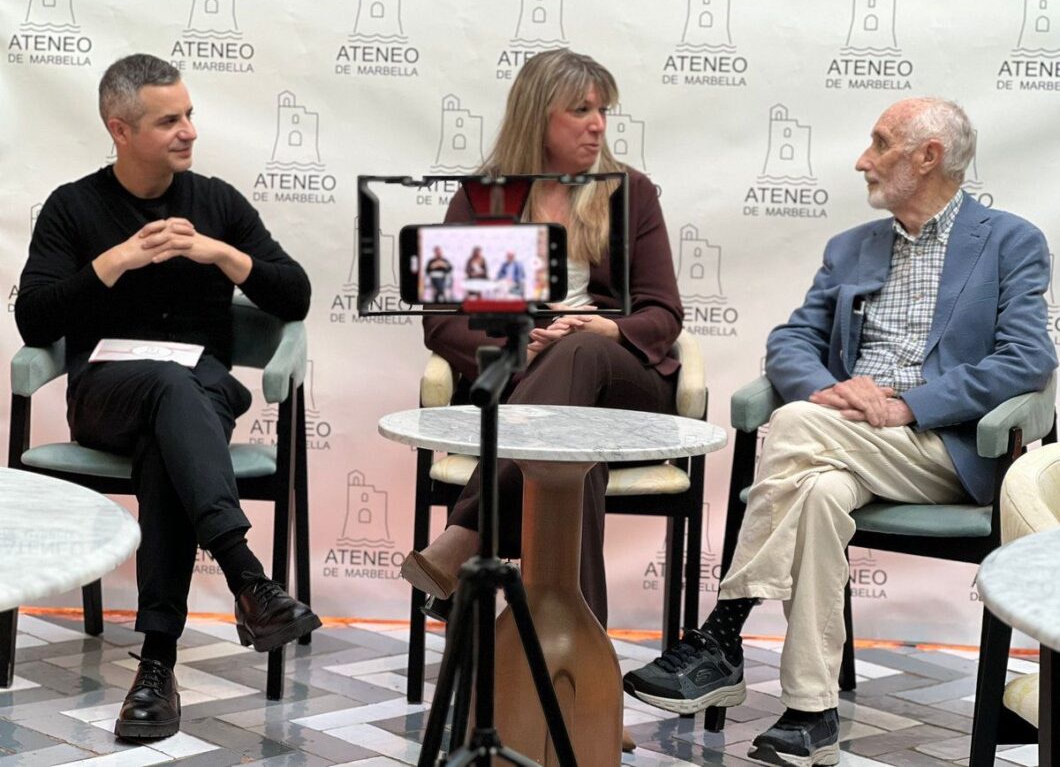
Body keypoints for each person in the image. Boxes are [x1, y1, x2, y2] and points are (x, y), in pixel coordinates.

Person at [623, 97, 1057, 766]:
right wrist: (832, 391)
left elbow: (1028, 358)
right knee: (819, 493)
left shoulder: (1009, 241)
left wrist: (912, 405)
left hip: (944, 447)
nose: (862, 160)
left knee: (797, 425)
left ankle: (723, 634)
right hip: (841, 437)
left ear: (928, 157)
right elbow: (791, 340)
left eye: (880, 143)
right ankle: (811, 713)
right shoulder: (853, 247)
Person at [15, 54, 321, 741]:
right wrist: (115, 261)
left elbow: (294, 295)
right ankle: (248, 578)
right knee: (165, 388)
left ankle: (156, 666)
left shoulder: (215, 203)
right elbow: (34, 320)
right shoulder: (73, 207)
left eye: (189, 114)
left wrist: (220, 253)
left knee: (170, 427)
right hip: (107, 394)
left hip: (199, 393)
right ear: (120, 129)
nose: (189, 131)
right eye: (168, 120)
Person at [400, 47, 682, 641]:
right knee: (575, 465)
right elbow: (443, 321)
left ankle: (466, 535)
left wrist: (609, 328)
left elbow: (663, 312)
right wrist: (518, 347)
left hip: (623, 386)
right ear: (537, 116)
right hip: (531, 392)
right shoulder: (485, 199)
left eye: (603, 111)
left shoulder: (630, 192)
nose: (597, 125)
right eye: (580, 110)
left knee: (578, 350)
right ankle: (578, 672)